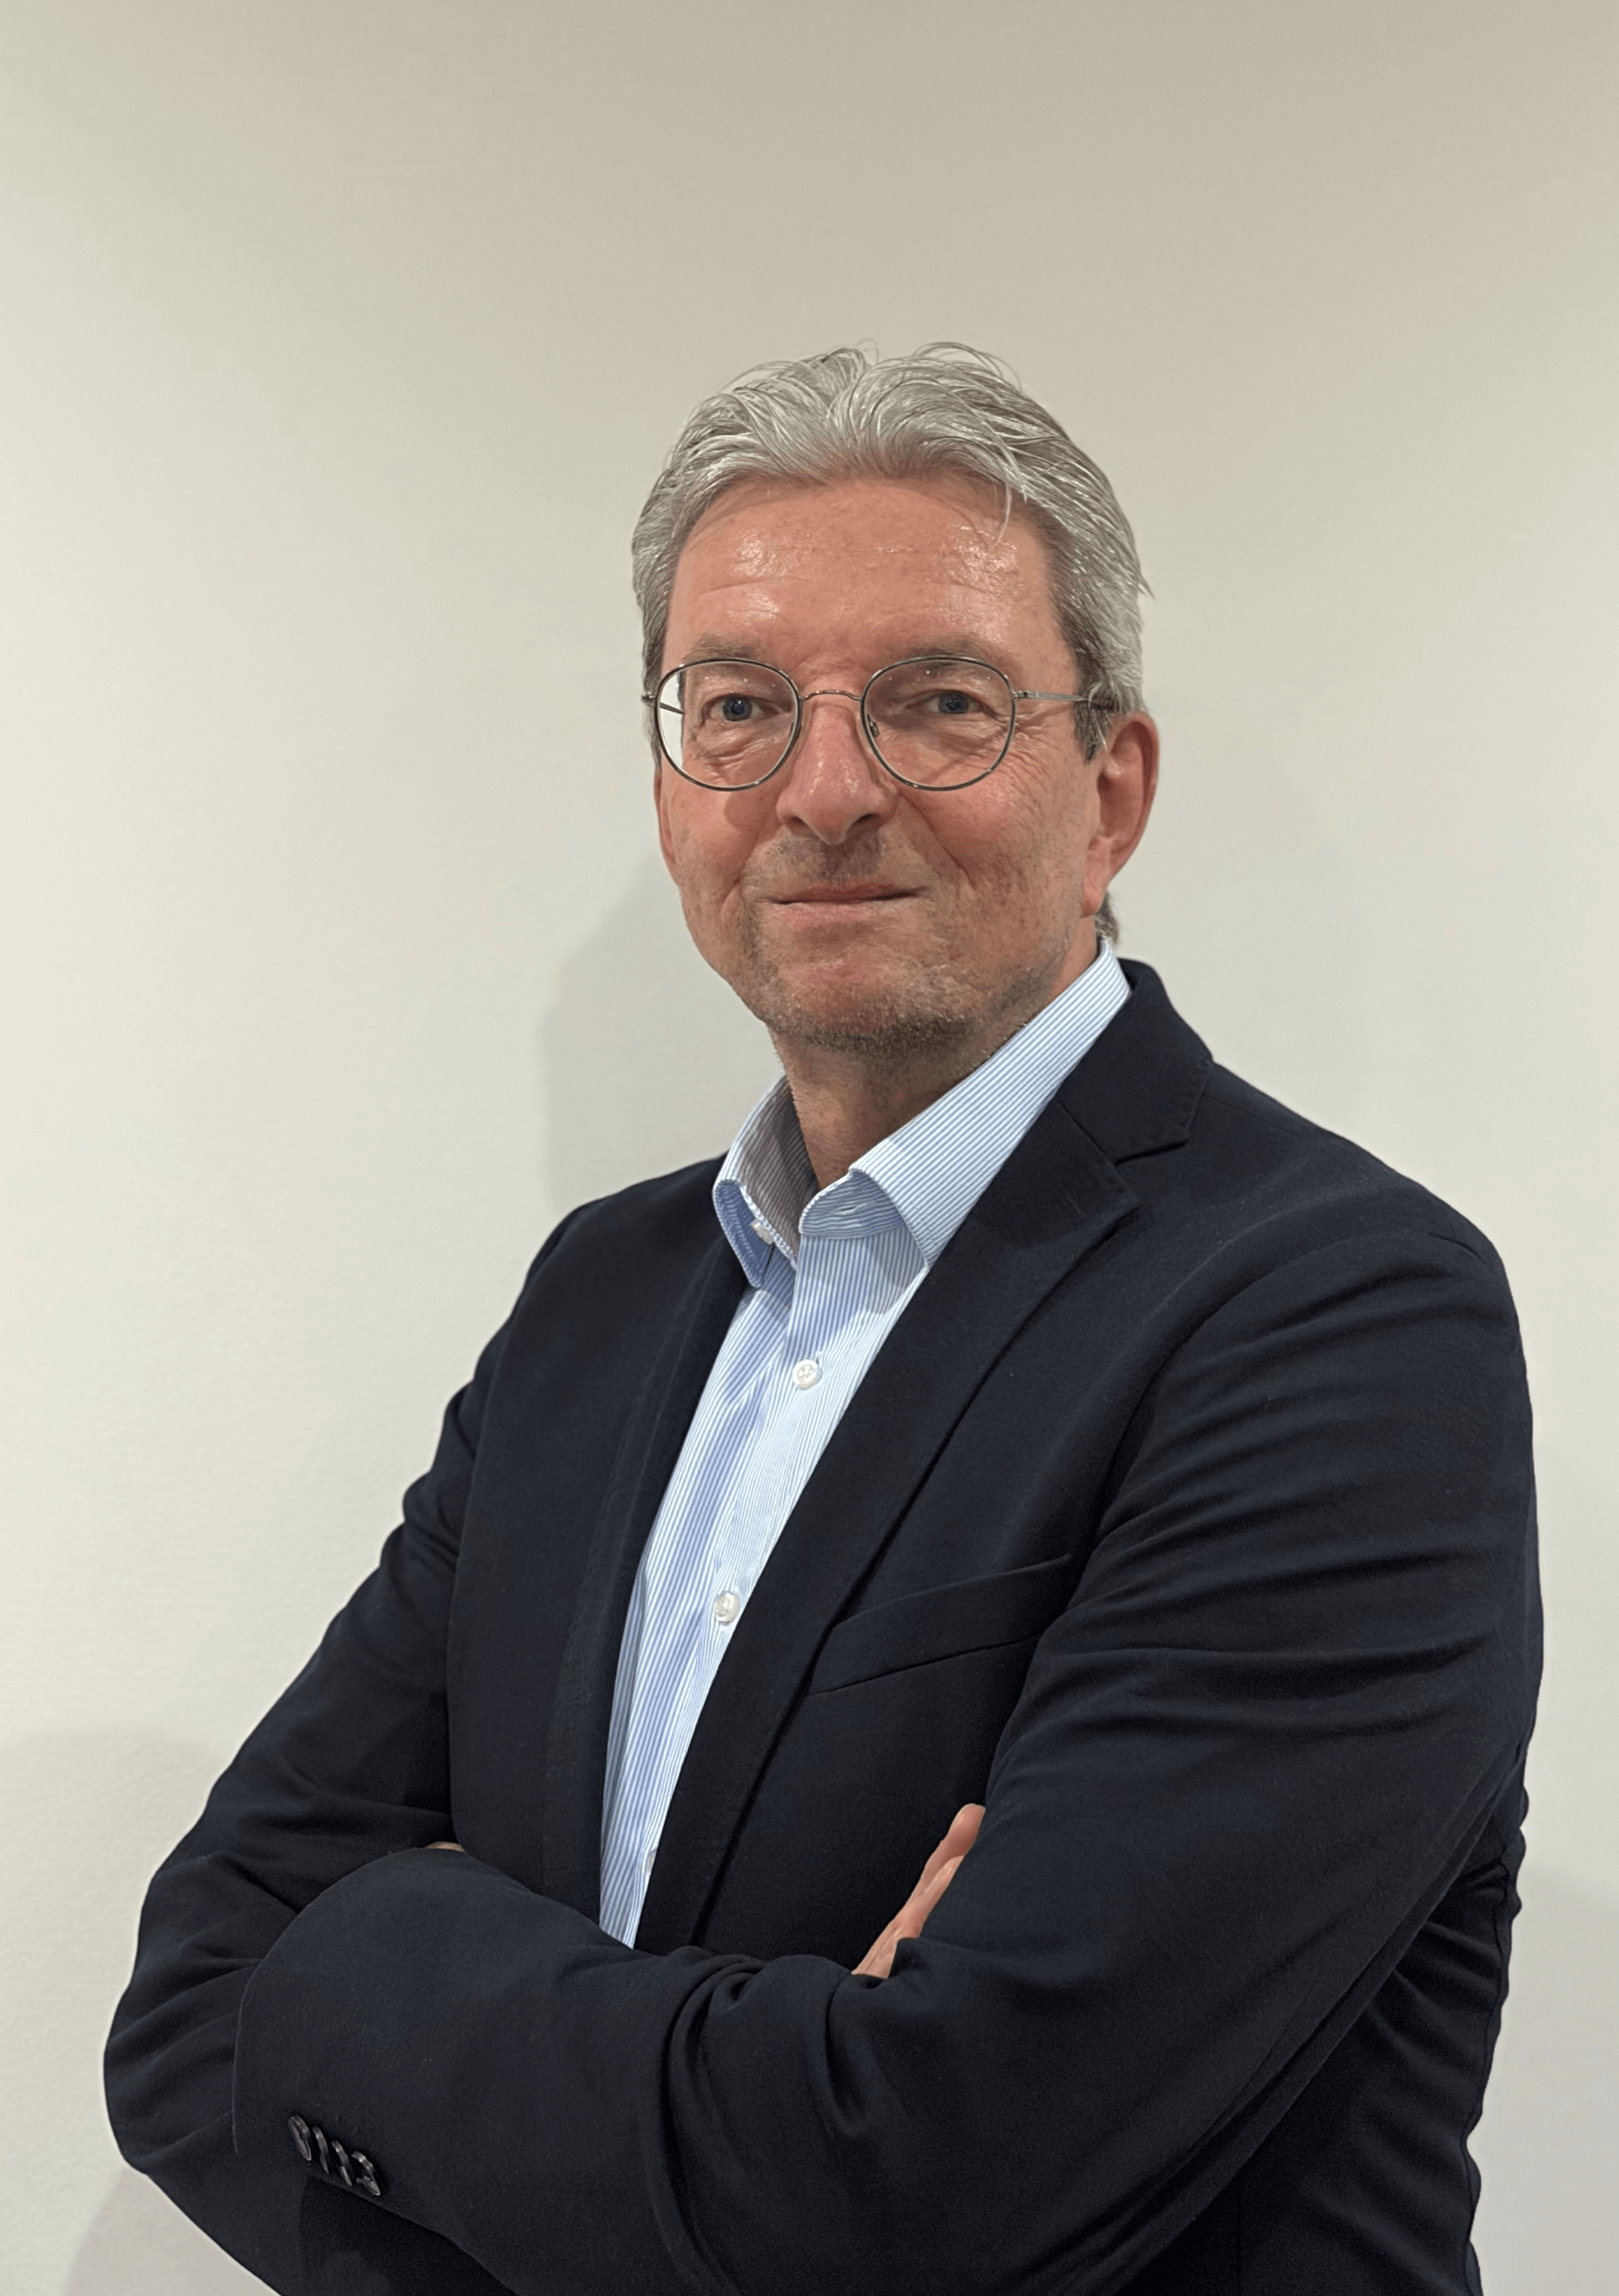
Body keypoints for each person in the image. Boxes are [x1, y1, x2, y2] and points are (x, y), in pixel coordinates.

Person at [106, 344, 1539, 2296]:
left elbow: (928, 2182)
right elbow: (191, 2008)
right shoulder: (601, 1301)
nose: (826, 789)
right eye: (739, 708)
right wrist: (751, 2123)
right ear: (670, 782)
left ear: (1110, 791)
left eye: (940, 702)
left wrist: (371, 1953)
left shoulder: (1339, 1320)